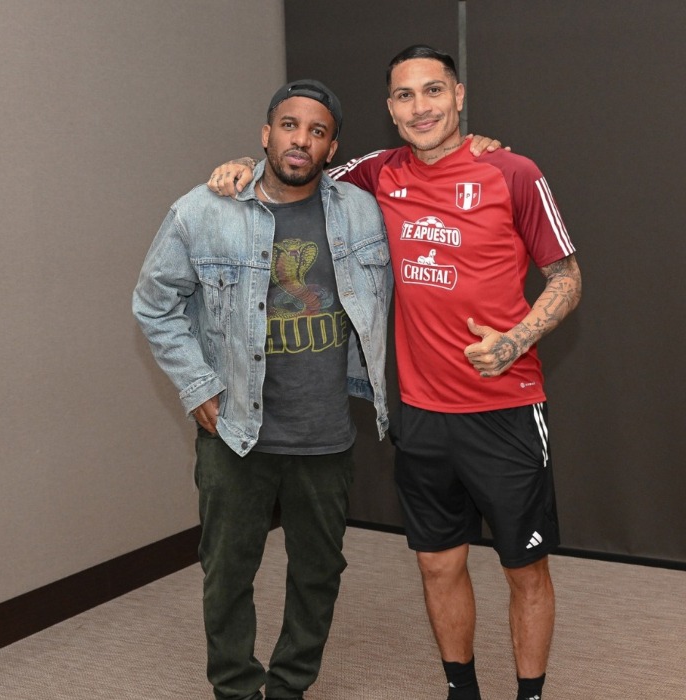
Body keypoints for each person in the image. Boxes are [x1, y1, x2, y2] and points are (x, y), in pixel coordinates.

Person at [208, 46, 582, 700]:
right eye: (405, 97)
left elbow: (568, 278)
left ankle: (530, 695)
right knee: (439, 566)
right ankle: (460, 689)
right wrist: (246, 165)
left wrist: (517, 338)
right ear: (390, 109)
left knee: (525, 569)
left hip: (505, 411)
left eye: (433, 92)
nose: (421, 108)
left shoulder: (512, 172)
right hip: (420, 415)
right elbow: (299, 169)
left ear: (459, 96)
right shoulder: (377, 173)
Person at [133, 79, 394, 700]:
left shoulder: (363, 212)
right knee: (227, 570)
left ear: (333, 147)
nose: (300, 140)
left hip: (324, 430)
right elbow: (154, 303)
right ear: (265, 134)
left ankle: (290, 685)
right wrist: (196, 384)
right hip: (235, 429)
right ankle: (233, 686)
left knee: (319, 570)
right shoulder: (202, 210)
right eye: (289, 125)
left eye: (317, 131)